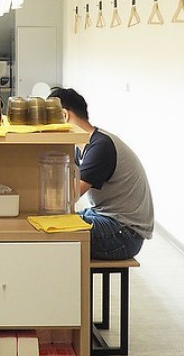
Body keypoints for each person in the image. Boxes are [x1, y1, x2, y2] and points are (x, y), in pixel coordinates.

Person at [49, 87, 154, 260]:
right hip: (107, 217)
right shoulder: (85, 144)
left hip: (125, 233)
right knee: (56, 222)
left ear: (64, 115)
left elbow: (69, 196)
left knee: (54, 232)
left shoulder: (100, 146)